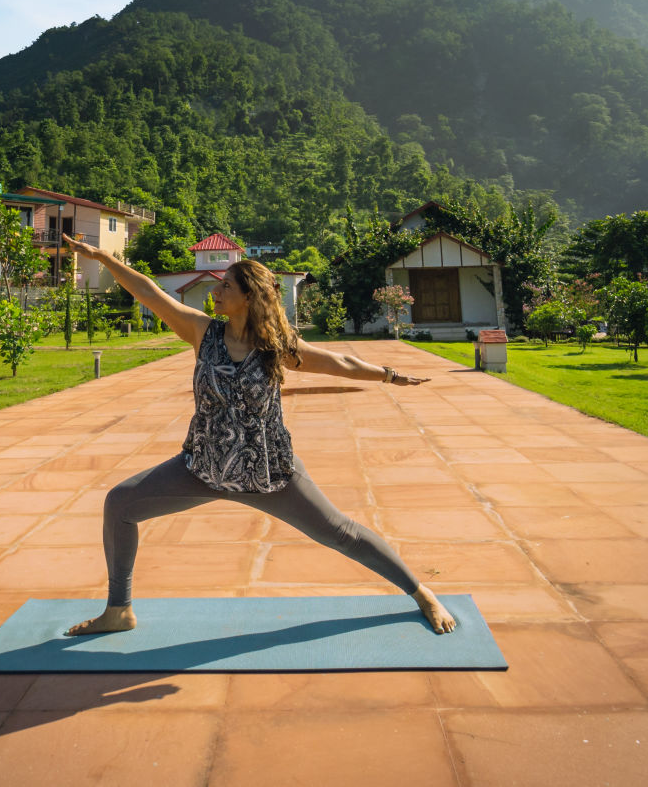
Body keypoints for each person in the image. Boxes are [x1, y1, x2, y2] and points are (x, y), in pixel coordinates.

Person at [58, 234, 458, 635]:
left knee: (341, 533)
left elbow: (340, 362)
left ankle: (421, 592)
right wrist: (103, 257)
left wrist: (388, 375)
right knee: (120, 504)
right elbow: (149, 292)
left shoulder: (275, 347)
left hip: (268, 474)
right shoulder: (202, 332)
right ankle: (119, 610)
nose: (215, 291)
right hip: (203, 468)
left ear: (249, 296)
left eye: (226, 285)